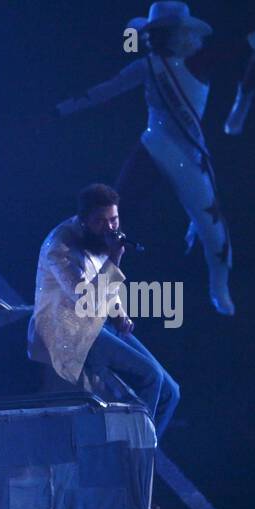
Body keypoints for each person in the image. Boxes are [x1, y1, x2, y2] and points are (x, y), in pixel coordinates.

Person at [53, 2, 255, 315]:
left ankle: (218, 286)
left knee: (212, 228)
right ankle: (88, 280)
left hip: (187, 155)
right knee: (114, 212)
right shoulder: (146, 66)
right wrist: (60, 110)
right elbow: (103, 91)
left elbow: (253, 41)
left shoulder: (200, 61)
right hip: (152, 145)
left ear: (179, 35)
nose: (152, 40)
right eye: (150, 34)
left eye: (159, 33)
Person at [28, 183, 180, 435]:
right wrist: (115, 259)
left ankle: (145, 452)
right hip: (68, 329)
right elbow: (86, 300)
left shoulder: (98, 237)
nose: (110, 228)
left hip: (98, 322)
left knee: (170, 391)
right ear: (84, 220)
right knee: (151, 377)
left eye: (114, 220)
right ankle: (133, 450)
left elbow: (102, 282)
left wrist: (120, 313)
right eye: (102, 221)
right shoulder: (60, 249)